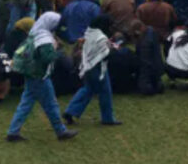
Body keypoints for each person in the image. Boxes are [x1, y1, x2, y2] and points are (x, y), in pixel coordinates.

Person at [6, 12, 77, 141]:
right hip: (39, 75)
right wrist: (55, 49)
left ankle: (13, 131)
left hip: (31, 73)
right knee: (51, 104)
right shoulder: (44, 38)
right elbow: (47, 58)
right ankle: (61, 131)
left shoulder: (35, 33)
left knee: (26, 103)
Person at [63, 15, 122, 126]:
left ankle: (70, 111)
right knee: (105, 92)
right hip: (98, 67)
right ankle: (108, 118)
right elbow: (105, 54)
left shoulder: (89, 33)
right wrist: (114, 48)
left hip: (87, 66)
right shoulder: (101, 37)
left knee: (87, 89)